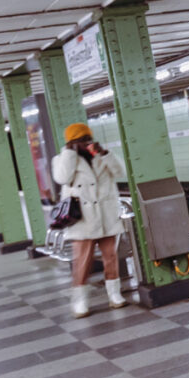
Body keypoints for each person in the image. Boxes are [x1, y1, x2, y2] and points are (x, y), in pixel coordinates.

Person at [51, 122, 128, 318]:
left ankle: (114, 294)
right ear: (71, 143)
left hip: (106, 214)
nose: (86, 143)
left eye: (88, 139)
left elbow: (120, 173)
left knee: (110, 256)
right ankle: (79, 300)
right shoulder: (62, 159)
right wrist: (70, 153)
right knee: (82, 261)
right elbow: (61, 178)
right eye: (80, 141)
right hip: (83, 219)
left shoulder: (102, 156)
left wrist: (104, 154)